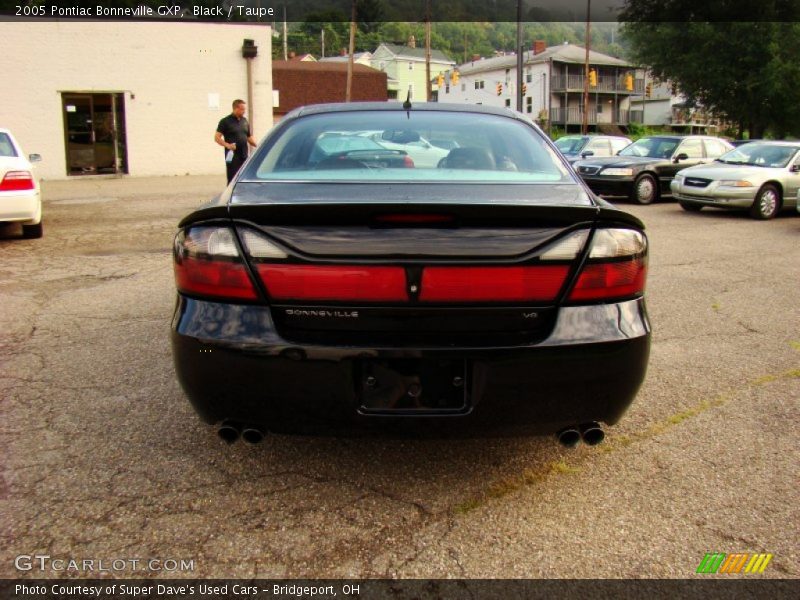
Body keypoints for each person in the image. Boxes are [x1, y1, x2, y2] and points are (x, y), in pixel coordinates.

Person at [214, 99, 257, 184]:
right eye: (242, 109)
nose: (244, 111)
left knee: (243, 176)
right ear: (235, 108)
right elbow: (217, 138)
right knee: (232, 177)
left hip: (244, 154)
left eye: (244, 109)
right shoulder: (225, 121)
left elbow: (249, 137)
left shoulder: (244, 121)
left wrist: (258, 146)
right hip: (232, 156)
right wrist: (227, 145)